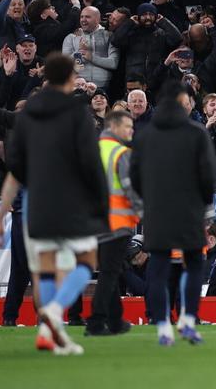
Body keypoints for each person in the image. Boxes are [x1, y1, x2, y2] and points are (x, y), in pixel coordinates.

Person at [0, 52, 109, 356]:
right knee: (86, 261)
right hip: (71, 198)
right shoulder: (77, 113)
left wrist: (1, 214)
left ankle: (47, 331)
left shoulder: (27, 115)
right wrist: (102, 202)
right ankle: (54, 312)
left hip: (36, 201)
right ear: (70, 78)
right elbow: (91, 163)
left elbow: (15, 168)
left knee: (45, 269)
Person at [130, 82, 216, 346]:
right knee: (194, 264)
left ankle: (162, 325)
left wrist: (149, 200)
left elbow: (134, 175)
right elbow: (207, 174)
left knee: (157, 267)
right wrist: (204, 203)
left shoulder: (145, 135)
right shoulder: (195, 132)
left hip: (157, 211)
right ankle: (188, 320)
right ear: (184, 102)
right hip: (189, 209)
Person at [86, 109, 140, 337]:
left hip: (93, 222)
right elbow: (131, 189)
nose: (131, 131)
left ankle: (116, 320)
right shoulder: (121, 153)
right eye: (128, 127)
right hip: (117, 221)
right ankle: (96, 321)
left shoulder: (90, 150)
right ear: (114, 127)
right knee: (109, 272)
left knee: (112, 270)